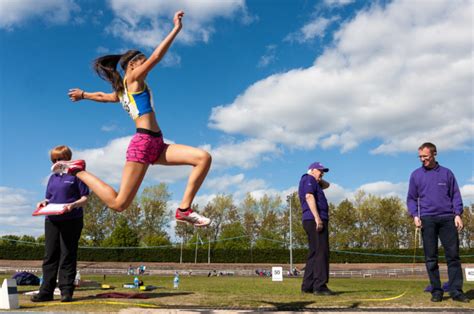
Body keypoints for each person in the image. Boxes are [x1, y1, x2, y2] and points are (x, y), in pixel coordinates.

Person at [56, 11, 210, 226]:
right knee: (119, 204)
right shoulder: (133, 79)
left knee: (203, 158)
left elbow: (105, 96)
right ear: (132, 66)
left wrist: (84, 95)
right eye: (143, 63)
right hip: (143, 143)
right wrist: (176, 29)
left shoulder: (123, 91)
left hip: (157, 143)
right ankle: (78, 170)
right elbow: (157, 57)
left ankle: (184, 210)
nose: (147, 67)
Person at [407, 142, 469, 303]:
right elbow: (411, 198)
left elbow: (455, 195)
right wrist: (414, 215)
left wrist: (457, 214)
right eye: (420, 157)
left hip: (448, 218)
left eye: (425, 156)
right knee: (431, 258)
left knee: (453, 257)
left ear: (434, 154)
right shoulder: (415, 175)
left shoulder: (447, 173)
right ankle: (436, 290)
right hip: (427, 219)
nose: (422, 159)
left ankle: (456, 291)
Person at [31, 145, 89, 303]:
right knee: (50, 255)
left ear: (68, 158)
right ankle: (46, 291)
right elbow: (49, 198)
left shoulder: (77, 175)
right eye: (54, 159)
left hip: (72, 219)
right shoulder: (52, 178)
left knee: (67, 255)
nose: (57, 162)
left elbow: (85, 198)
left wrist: (73, 205)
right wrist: (43, 202)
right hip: (52, 220)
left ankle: (66, 291)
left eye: (60, 159)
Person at [298, 162, 334, 296]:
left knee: (314, 252)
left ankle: (308, 286)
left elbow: (327, 185)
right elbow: (309, 196)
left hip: (309, 220)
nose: (322, 174)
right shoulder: (308, 179)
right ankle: (320, 286)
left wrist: (318, 177)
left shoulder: (313, 180)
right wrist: (317, 218)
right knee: (321, 252)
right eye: (320, 171)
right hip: (315, 219)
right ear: (312, 170)